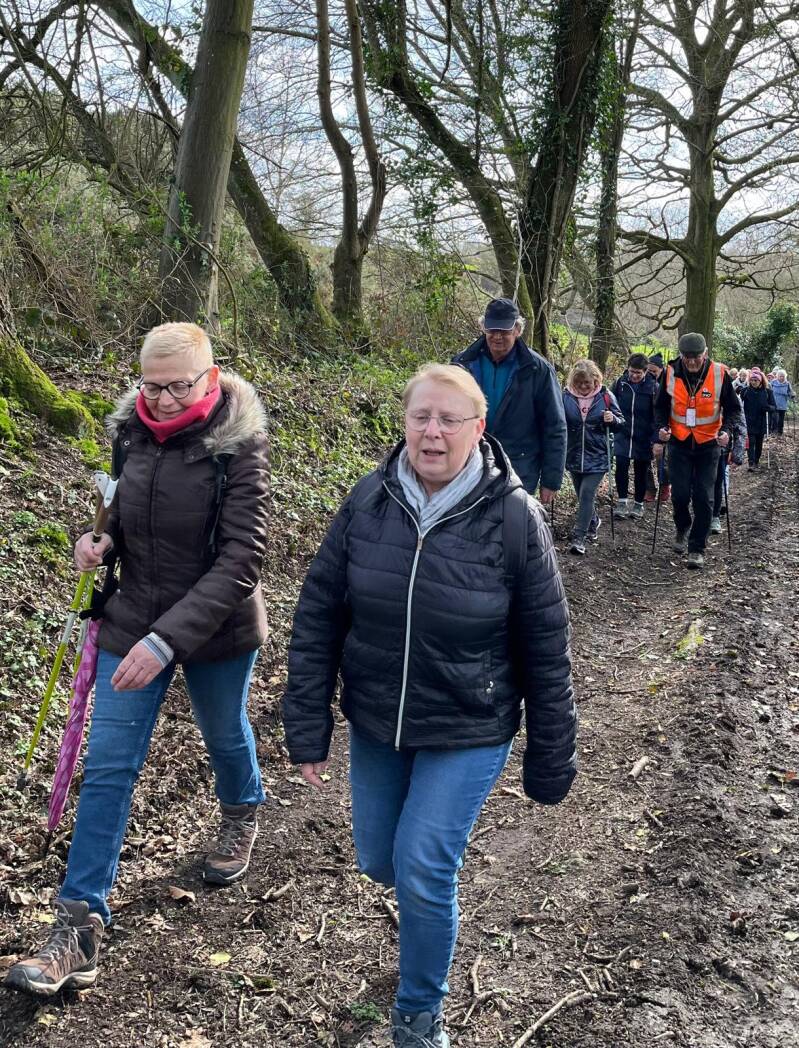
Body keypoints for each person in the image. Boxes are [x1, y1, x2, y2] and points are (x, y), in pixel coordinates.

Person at [282, 364, 576, 1048]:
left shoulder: (514, 518)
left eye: (449, 419)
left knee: (421, 866)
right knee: (379, 861)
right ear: (405, 423)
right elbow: (318, 614)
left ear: (479, 428)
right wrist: (308, 724)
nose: (432, 433)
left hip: (469, 723)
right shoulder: (368, 501)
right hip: (378, 718)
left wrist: (550, 755)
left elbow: (546, 645)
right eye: (421, 417)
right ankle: (423, 921)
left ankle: (418, 1014)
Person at [6, 323, 270, 997]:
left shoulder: (238, 444)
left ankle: (242, 808)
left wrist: (167, 640)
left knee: (223, 732)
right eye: (150, 386)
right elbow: (122, 513)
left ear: (209, 379)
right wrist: (99, 543)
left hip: (216, 627)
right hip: (132, 618)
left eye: (176, 386)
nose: (160, 400)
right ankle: (78, 929)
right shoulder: (130, 432)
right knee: (108, 768)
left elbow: (243, 557)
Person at [452, 298, 566, 502]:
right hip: (468, 463)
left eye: (504, 331)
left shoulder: (537, 370)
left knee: (511, 520)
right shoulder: (462, 364)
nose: (497, 336)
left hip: (519, 467)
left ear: (517, 330)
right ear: (483, 328)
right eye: (492, 330)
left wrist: (551, 480)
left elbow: (555, 425)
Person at [653, 332, 743, 570]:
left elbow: (734, 409)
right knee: (680, 494)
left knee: (704, 497)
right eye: (687, 357)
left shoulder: (719, 374)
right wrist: (662, 428)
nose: (692, 361)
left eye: (696, 357)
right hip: (679, 442)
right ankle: (682, 525)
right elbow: (660, 407)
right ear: (681, 355)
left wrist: (727, 431)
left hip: (709, 444)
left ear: (705, 353)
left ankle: (696, 548)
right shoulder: (669, 373)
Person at [562, 359, 624, 555]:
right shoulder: (565, 397)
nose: (582, 387)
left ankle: (579, 537)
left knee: (587, 493)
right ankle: (593, 521)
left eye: (587, 383)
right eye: (579, 383)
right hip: (573, 454)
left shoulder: (605, 396)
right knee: (582, 496)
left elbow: (621, 422)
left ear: (595, 380)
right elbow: (557, 421)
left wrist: (612, 419)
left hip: (597, 455)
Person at [611, 352, 658, 520]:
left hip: (644, 435)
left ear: (645, 371)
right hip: (622, 433)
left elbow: (658, 414)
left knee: (641, 470)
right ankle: (622, 502)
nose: (634, 375)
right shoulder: (620, 383)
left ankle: (638, 504)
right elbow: (610, 403)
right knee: (621, 466)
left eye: (638, 372)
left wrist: (656, 438)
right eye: (632, 371)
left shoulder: (653, 387)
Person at [710, 389, 746, 534]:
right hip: (696, 447)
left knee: (718, 481)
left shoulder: (731, 395)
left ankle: (715, 517)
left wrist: (737, 454)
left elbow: (740, 425)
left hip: (721, 447)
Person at [644, 353, 670, 503]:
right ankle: (649, 488)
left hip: (662, 425)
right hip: (646, 424)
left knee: (661, 458)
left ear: (662, 369)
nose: (651, 373)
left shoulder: (668, 383)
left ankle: (665, 485)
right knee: (644, 458)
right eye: (649, 370)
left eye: (654, 371)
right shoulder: (644, 381)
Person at [740, 367, 776, 469]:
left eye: (756, 380)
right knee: (751, 442)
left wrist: (768, 408)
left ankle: (756, 460)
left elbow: (774, 407)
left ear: (760, 381)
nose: (753, 382)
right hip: (749, 421)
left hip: (761, 421)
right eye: (752, 380)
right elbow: (738, 404)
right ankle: (751, 463)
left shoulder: (767, 392)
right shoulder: (745, 391)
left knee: (759, 443)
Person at [770, 369, 795, 435]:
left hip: (783, 403)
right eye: (780, 376)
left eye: (783, 376)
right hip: (774, 403)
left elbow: (790, 392)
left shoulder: (787, 383)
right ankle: (774, 431)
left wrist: (792, 395)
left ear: (785, 376)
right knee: (775, 418)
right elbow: (769, 391)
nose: (781, 377)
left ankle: (780, 432)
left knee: (781, 419)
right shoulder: (773, 382)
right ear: (777, 376)